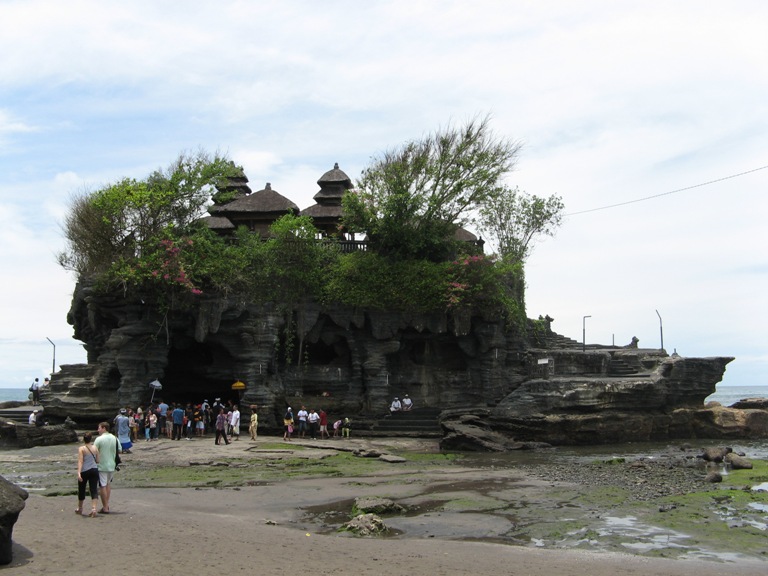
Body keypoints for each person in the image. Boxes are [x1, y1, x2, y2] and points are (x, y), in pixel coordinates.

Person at [94, 422, 121, 514]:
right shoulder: (115, 438)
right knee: (108, 484)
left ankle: (105, 507)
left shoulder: (99, 439)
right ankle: (106, 505)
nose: (98, 430)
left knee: (102, 485)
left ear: (104, 428)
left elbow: (94, 451)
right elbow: (119, 450)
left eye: (99, 428)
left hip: (102, 465)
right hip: (112, 465)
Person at [75, 431, 100, 517]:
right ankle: (94, 509)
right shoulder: (95, 448)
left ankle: (80, 508)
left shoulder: (81, 449)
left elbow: (80, 461)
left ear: (83, 439)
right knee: (94, 489)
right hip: (94, 470)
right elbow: (97, 460)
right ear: (91, 439)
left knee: (81, 489)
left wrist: (78, 473)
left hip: (85, 471)